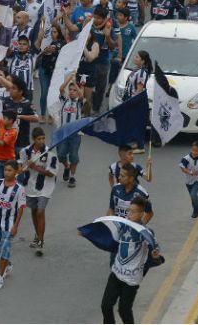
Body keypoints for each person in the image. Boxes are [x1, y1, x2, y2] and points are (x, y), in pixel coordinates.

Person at [98, 196, 162, 324]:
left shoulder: (146, 233)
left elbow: (156, 255)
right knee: (105, 305)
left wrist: (155, 256)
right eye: (128, 211)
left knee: (124, 310)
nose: (129, 214)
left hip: (131, 280)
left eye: (133, 212)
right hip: (116, 273)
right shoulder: (122, 226)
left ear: (141, 214)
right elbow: (109, 236)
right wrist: (89, 232)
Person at [17, 127, 59, 256]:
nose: (41, 141)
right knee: (34, 212)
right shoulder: (25, 151)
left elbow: (52, 173)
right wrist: (22, 169)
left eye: (43, 138)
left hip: (45, 187)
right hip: (30, 187)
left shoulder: (50, 153)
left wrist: (34, 167)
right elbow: (21, 166)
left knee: (40, 211)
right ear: (33, 139)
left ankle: (40, 241)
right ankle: (37, 235)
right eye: (39, 139)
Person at [0, 160, 26, 290]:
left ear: (16, 172)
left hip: (8, 225)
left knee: (4, 249)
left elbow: (21, 208)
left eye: (9, 170)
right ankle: (8, 265)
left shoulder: (19, 189)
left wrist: (15, 226)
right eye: (5, 170)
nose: (6, 172)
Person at [56, 72, 85, 186]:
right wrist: (70, 79)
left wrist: (76, 84)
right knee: (61, 155)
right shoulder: (64, 100)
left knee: (73, 156)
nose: (72, 92)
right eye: (71, 90)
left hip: (75, 134)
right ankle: (66, 167)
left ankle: (72, 177)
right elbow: (61, 88)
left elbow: (82, 96)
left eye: (74, 90)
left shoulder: (79, 103)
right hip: (62, 133)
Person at [123, 50, 152, 153]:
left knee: (137, 122)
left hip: (137, 100)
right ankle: (138, 142)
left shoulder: (142, 72)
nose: (135, 59)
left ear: (143, 61)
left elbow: (139, 89)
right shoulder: (136, 69)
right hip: (131, 98)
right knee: (132, 121)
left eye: (137, 57)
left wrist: (132, 101)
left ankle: (141, 147)